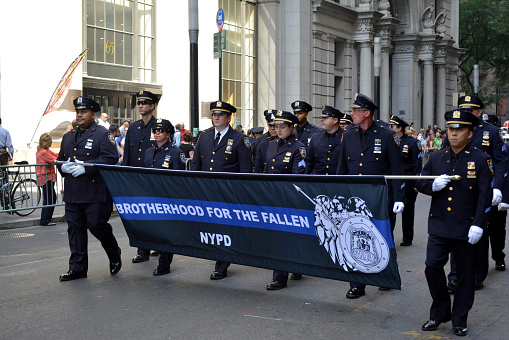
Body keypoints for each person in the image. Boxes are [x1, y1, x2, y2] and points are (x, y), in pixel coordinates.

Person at [416, 109, 492, 337]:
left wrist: (479, 224)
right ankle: (440, 313)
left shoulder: (480, 159)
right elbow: (420, 182)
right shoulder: (437, 157)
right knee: (432, 266)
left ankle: (460, 319)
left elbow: (485, 195)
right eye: (451, 129)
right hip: (439, 225)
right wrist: (431, 186)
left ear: (470, 132)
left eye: (459, 130)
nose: (454, 134)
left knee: (465, 276)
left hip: (466, 227)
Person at [336, 93, 406, 299]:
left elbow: (397, 170)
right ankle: (357, 283)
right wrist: (338, 194)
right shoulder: (348, 135)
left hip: (379, 199)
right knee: (354, 239)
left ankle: (385, 275)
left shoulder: (386, 135)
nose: (352, 114)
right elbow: (342, 168)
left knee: (382, 239)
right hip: (354, 199)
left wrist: (399, 197)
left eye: (356, 111)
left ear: (367, 113)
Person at [445, 95, 507, 292]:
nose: (466, 113)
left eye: (470, 110)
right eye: (463, 109)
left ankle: (478, 274)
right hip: (460, 188)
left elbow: (501, 161)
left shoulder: (491, 132)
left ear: (479, 112)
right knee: (457, 233)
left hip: (483, 189)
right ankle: (455, 276)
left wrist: (498, 187)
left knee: (480, 231)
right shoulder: (456, 130)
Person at [56, 96, 121, 281]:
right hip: (73, 192)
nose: (80, 115)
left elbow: (110, 159)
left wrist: (87, 166)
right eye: (78, 112)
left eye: (83, 112)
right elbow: (60, 160)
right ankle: (77, 268)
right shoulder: (68, 136)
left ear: (93, 114)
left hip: (95, 192)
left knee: (96, 226)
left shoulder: (102, 133)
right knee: (75, 231)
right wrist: (63, 167)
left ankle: (113, 252)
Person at [191, 100, 253, 280]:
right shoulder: (204, 136)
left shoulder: (240, 139)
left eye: (220, 115)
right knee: (211, 227)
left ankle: (221, 265)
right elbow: (196, 165)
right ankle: (219, 257)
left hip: (227, 193)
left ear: (229, 118)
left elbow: (245, 170)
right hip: (206, 191)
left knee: (224, 229)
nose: (216, 117)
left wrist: (241, 193)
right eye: (213, 114)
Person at [264, 110, 307, 290]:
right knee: (278, 237)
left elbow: (299, 175)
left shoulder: (298, 147)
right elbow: (266, 172)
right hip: (271, 197)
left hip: (287, 198)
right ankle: (294, 265)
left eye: (283, 127)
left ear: (291, 127)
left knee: (284, 238)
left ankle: (280, 277)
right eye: (276, 127)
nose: (279, 130)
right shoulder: (272, 145)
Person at [143, 119, 186, 276]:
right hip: (150, 197)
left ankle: (164, 264)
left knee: (166, 232)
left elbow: (179, 180)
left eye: (161, 130)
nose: (157, 133)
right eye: (155, 130)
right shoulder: (149, 152)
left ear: (169, 134)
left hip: (167, 198)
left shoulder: (176, 153)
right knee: (155, 230)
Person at [123, 90, 159, 263]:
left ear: (152, 106)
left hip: (151, 178)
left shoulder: (159, 126)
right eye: (139, 103)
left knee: (155, 214)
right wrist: (125, 176)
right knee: (140, 215)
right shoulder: (133, 127)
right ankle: (142, 250)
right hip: (136, 178)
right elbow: (128, 154)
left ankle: (159, 244)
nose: (140, 106)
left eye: (144, 103)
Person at [389, 115, 422, 246]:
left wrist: (416, 183)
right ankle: (389, 236)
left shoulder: (412, 143)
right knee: (391, 209)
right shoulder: (391, 141)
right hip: (394, 181)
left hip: (408, 180)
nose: (390, 128)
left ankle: (407, 238)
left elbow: (417, 163)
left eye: (392, 126)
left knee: (408, 211)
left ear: (400, 128)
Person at [306, 105, 344, 175]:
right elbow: (309, 163)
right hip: (318, 182)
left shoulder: (346, 137)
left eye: (325, 118)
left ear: (335, 120)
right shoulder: (315, 138)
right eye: (322, 117)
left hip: (338, 182)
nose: (321, 119)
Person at [36, 133, 58, 226]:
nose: (51, 142)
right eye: (50, 141)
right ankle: (45, 220)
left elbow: (55, 155)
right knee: (49, 198)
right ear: (46, 142)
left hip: (47, 177)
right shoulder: (43, 152)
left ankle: (46, 219)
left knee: (50, 198)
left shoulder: (45, 150)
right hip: (46, 177)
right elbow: (54, 159)